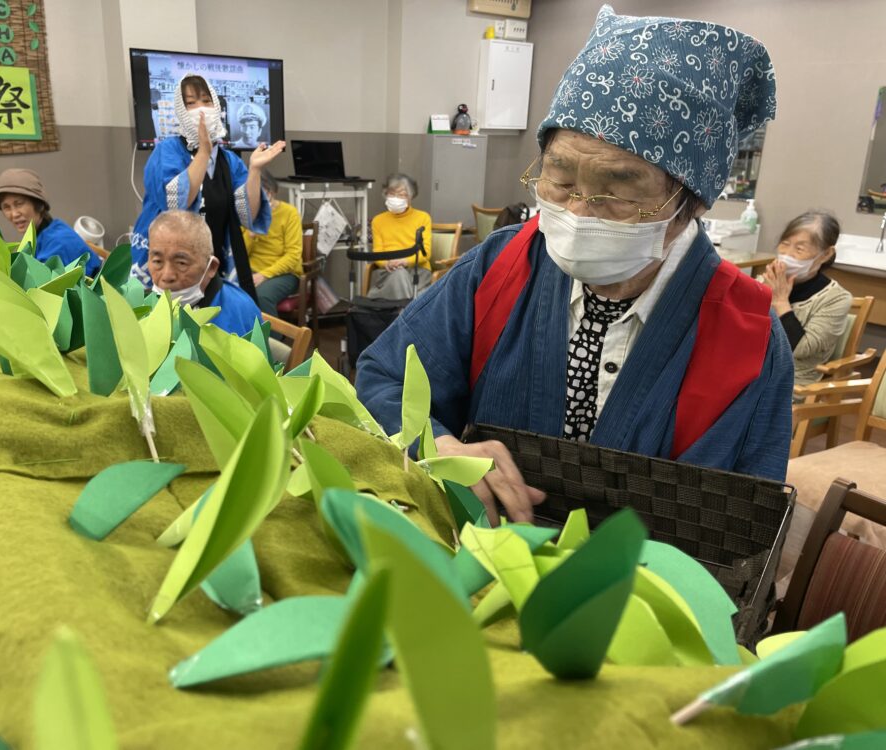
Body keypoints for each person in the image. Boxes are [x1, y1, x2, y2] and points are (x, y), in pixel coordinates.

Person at [356, 5, 793, 525]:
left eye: (617, 193)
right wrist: (440, 443)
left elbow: (742, 529)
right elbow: (384, 376)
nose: (579, 213)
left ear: (690, 201)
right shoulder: (500, 268)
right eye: (560, 182)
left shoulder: (747, 341)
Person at [130, 74, 284, 301]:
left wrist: (254, 171)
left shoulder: (229, 160)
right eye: (190, 103)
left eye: (206, 101)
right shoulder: (167, 151)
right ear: (180, 111)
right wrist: (203, 151)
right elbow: (174, 206)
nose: (201, 109)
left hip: (213, 264)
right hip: (171, 269)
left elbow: (247, 214)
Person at [762, 211, 853, 388]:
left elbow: (800, 349)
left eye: (799, 249)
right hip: (753, 374)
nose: (787, 254)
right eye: (785, 244)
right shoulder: (765, 282)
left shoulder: (836, 299)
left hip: (792, 384)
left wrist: (781, 302)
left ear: (826, 254)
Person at [146, 209, 260, 336]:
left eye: (181, 263)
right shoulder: (141, 304)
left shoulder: (240, 310)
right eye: (157, 261)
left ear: (211, 267)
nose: (167, 276)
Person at [0, 168, 101, 277]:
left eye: (19, 204)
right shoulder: (47, 232)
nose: (14, 214)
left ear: (39, 205)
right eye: (6, 207)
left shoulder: (59, 242)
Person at [244, 170, 303, 318]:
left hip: (285, 273)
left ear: (271, 192)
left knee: (262, 296)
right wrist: (251, 232)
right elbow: (240, 254)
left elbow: (293, 255)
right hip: (251, 270)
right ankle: (240, 337)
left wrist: (264, 275)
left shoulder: (289, 213)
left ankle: (271, 340)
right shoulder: (246, 214)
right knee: (228, 292)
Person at [367, 174, 432, 300]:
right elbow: (377, 253)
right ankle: (407, 311)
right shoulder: (378, 221)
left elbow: (426, 253)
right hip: (388, 272)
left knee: (400, 276)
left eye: (402, 194)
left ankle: (397, 310)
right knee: (399, 276)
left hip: (418, 270)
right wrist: (387, 263)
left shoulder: (423, 218)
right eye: (392, 193)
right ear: (385, 194)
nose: (396, 198)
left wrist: (404, 261)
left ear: (410, 197)